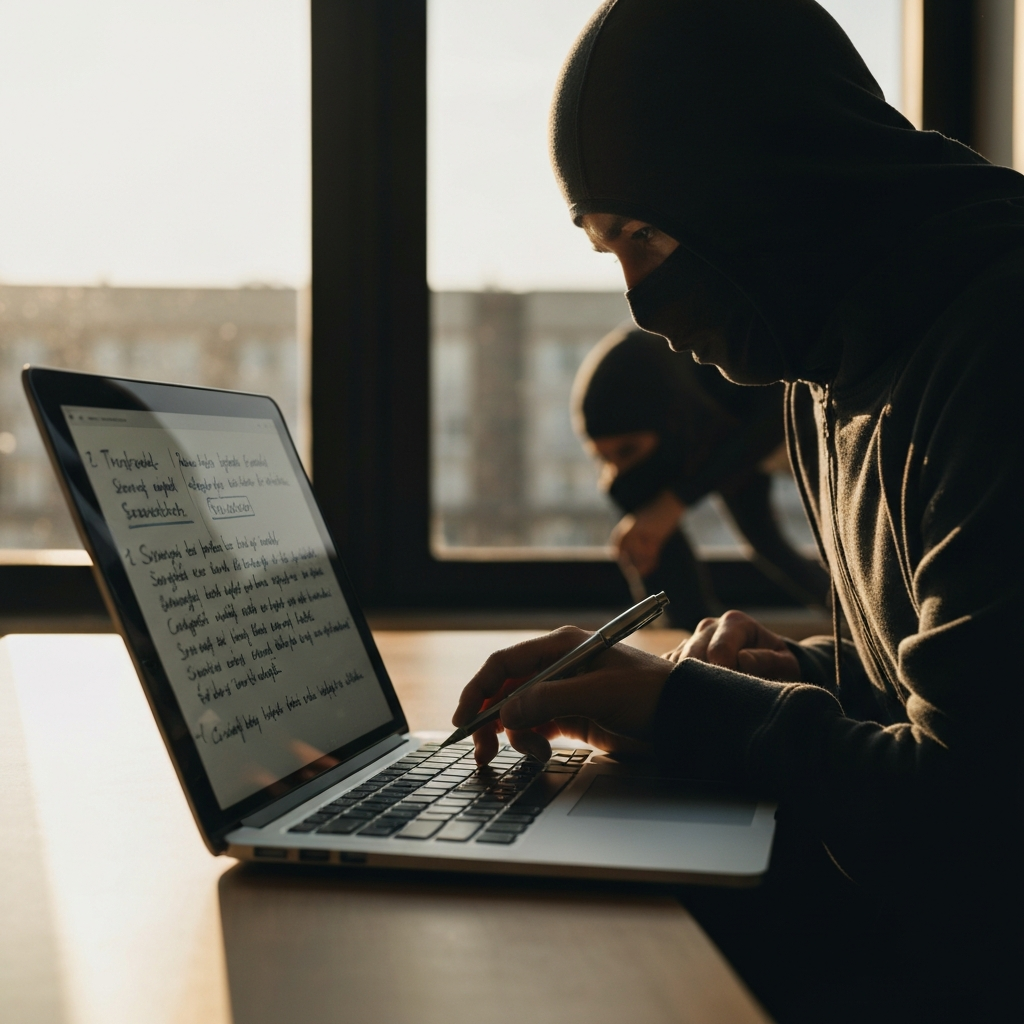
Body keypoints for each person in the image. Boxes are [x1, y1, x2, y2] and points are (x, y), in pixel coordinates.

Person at [450, 1, 1023, 1019]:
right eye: (603, 248)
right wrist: (801, 673)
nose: (635, 302)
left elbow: (970, 838)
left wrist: (687, 707)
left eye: (643, 232)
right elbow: (958, 691)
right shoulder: (826, 360)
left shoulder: (1000, 344)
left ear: (756, 176)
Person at [572, 325, 829, 626]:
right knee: (765, 545)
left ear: (670, 420)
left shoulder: (740, 379)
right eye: (604, 459)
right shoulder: (695, 435)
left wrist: (674, 502)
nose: (619, 472)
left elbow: (771, 422)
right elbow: (767, 546)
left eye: (627, 451)